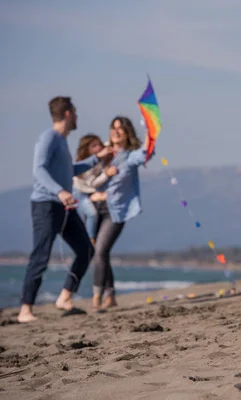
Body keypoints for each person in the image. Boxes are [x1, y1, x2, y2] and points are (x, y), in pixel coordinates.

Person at [18, 96, 111, 323]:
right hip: (46, 205)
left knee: (85, 251)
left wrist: (96, 159)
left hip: (65, 207)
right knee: (41, 256)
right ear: (68, 113)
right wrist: (59, 191)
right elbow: (38, 169)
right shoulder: (49, 137)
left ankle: (64, 297)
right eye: (75, 112)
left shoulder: (61, 141)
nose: (78, 116)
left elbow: (69, 169)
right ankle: (25, 310)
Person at [91, 116, 155, 311]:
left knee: (100, 251)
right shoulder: (101, 151)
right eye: (113, 128)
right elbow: (84, 168)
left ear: (127, 133)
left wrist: (150, 132)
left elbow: (146, 153)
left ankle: (96, 299)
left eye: (121, 129)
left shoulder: (130, 156)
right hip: (93, 210)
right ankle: (110, 295)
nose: (116, 131)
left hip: (116, 211)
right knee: (102, 253)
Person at [72, 134, 118, 245]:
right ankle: (91, 239)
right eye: (94, 146)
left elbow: (110, 142)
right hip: (80, 193)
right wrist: (107, 174)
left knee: (93, 214)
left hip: (91, 192)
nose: (99, 147)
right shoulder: (86, 165)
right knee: (91, 214)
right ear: (87, 150)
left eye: (99, 144)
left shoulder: (103, 152)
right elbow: (93, 183)